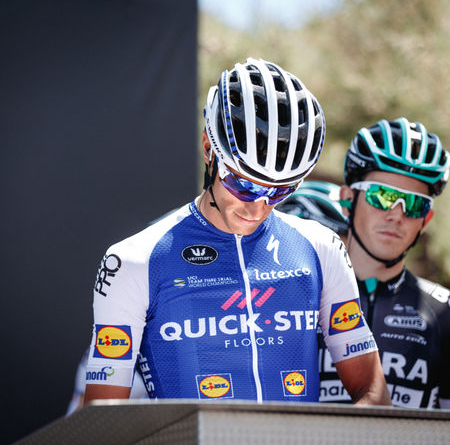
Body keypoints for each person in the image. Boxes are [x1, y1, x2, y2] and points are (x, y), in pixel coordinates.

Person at [83, 58, 391, 406]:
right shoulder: (133, 261)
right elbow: (103, 414)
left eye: (279, 191)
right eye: (242, 185)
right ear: (208, 149)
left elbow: (373, 392)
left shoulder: (321, 248)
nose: (256, 208)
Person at [279, 118, 450, 409]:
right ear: (348, 198)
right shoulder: (289, 297)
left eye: (414, 204)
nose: (396, 215)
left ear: (426, 220)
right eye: (381, 196)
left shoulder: (444, 313)